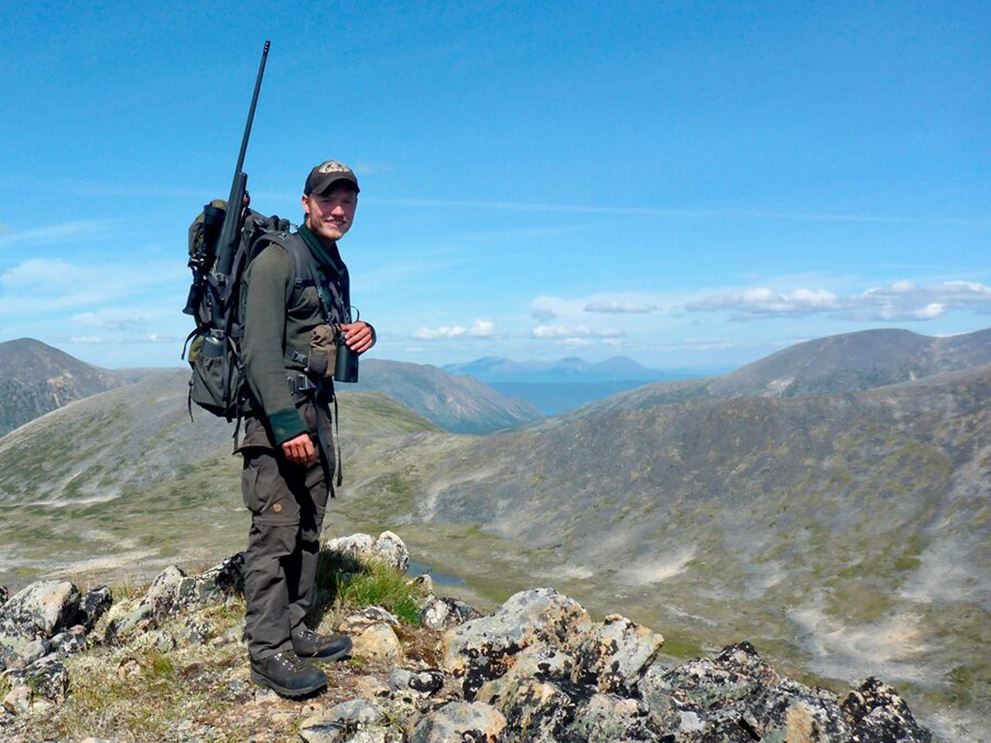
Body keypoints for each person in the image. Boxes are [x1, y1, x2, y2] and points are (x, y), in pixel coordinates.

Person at [238, 160, 375, 697]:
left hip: (317, 413)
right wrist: (286, 424)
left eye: (348, 201)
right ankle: (267, 651)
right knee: (275, 530)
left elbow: (324, 331)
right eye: (327, 200)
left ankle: (295, 626)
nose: (338, 210)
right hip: (278, 421)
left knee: (310, 523)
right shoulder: (277, 260)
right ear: (305, 202)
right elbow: (258, 351)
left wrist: (363, 331)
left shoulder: (334, 264)